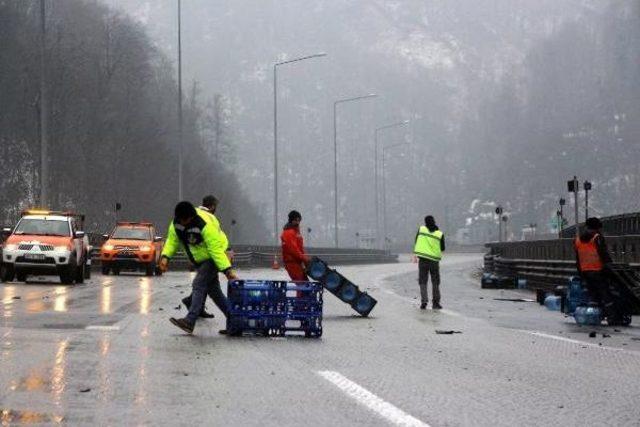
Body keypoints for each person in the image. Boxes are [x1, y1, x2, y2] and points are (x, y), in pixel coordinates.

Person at [160, 201, 237, 335]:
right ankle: (235, 321)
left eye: (187, 220)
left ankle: (190, 321)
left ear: (192, 217)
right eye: (182, 220)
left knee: (199, 283)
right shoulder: (176, 224)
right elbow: (172, 241)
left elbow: (215, 249)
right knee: (215, 292)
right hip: (199, 259)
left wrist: (227, 269)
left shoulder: (204, 224)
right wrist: (165, 257)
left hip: (214, 255)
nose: (184, 223)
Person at [181, 195, 231, 318]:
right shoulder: (210, 218)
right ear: (213, 206)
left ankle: (193, 309)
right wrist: (225, 264)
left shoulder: (196, 216)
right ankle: (191, 317)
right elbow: (214, 240)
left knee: (209, 286)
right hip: (210, 256)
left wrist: (192, 257)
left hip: (203, 256)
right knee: (203, 285)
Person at [574, 217, 613, 315]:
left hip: (585, 272)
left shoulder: (578, 240)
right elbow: (603, 253)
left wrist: (580, 272)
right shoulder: (597, 238)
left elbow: (578, 259)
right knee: (605, 292)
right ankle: (612, 315)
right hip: (597, 270)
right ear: (597, 228)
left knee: (592, 293)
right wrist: (610, 265)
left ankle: (594, 314)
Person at [413, 215, 445, 310]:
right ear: (434, 221)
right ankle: (435, 303)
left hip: (423, 260)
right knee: (435, 282)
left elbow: (416, 241)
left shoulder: (421, 229)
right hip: (434, 261)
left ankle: (424, 302)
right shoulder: (439, 234)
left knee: (423, 281)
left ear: (425, 222)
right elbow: (443, 248)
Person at [280, 210, 310, 281]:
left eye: (299, 220)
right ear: (291, 220)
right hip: (292, 263)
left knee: (305, 285)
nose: (298, 222)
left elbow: (300, 248)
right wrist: (305, 259)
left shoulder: (296, 231)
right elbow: (293, 250)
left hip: (298, 263)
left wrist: (304, 260)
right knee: (302, 285)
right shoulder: (288, 233)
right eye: (296, 220)